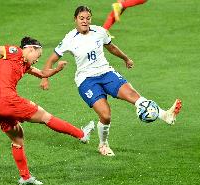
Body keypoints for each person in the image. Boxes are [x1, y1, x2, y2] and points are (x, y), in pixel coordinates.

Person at [40, 6, 182, 157]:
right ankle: (103, 144)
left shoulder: (99, 31)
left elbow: (111, 47)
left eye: (88, 18)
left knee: (133, 95)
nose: (85, 21)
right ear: (75, 19)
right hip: (87, 80)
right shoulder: (70, 38)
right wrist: (45, 77)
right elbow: (51, 59)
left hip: (106, 73)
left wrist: (126, 58)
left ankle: (165, 115)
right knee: (106, 115)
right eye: (81, 18)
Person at [0, 36, 95, 185]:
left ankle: (25, 177)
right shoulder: (14, 51)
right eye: (38, 55)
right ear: (31, 49)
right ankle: (82, 135)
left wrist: (57, 69)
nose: (38, 59)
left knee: (18, 138)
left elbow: (43, 74)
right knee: (45, 116)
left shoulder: (25, 65)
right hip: (8, 101)